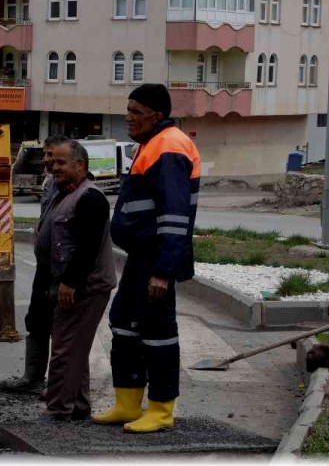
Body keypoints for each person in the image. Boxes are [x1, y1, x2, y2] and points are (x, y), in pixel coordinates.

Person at [93, 84, 200, 433]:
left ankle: (161, 408)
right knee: (123, 321)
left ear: (155, 115)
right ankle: (127, 403)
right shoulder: (152, 144)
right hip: (142, 256)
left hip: (156, 258)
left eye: (135, 112)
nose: (128, 117)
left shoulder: (169, 146)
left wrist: (163, 271)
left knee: (157, 332)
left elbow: (175, 214)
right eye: (128, 110)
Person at [40, 140, 115, 420]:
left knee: (64, 349)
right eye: (53, 162)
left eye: (61, 162)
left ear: (80, 166)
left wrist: (70, 283)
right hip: (70, 284)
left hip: (85, 287)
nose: (54, 167)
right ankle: (79, 406)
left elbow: (88, 246)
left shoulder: (90, 198)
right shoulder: (62, 193)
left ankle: (58, 409)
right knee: (74, 346)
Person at [0, 134, 68, 395]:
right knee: (37, 320)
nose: (47, 161)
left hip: (62, 271)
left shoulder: (73, 185)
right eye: (47, 155)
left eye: (53, 156)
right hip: (44, 268)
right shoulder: (49, 183)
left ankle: (61, 387)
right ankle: (33, 379)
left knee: (61, 328)